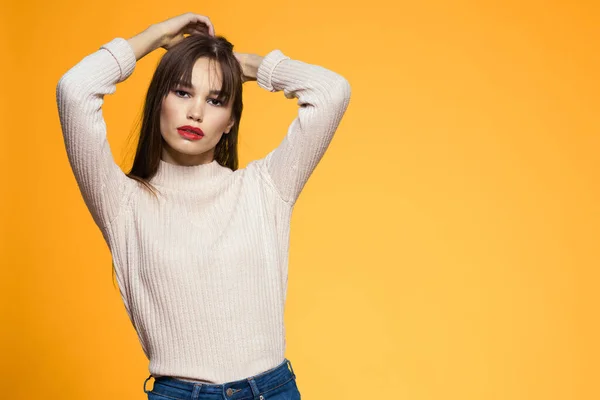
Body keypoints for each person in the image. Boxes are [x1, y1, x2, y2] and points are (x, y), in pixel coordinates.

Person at [56, 12, 351, 399]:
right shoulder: (123, 203)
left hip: (271, 390)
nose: (196, 112)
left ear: (230, 120)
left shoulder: (264, 188)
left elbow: (331, 91)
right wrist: (155, 36)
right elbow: (74, 89)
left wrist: (243, 65)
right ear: (158, 100)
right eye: (181, 92)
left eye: (215, 100)